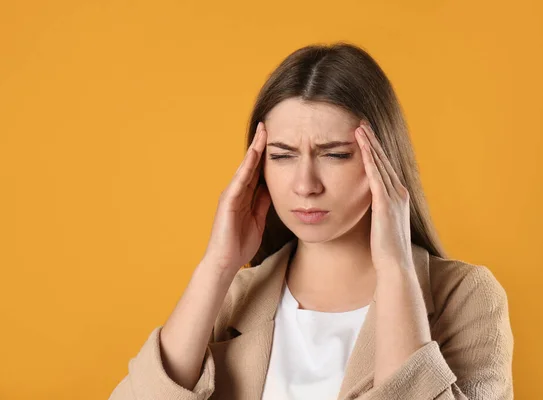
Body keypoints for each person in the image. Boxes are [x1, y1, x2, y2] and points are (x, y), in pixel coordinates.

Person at [109, 42, 514, 400]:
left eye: (335, 154)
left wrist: (395, 271)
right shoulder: (232, 297)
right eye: (282, 156)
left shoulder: (465, 297)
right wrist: (217, 266)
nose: (305, 185)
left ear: (384, 161)